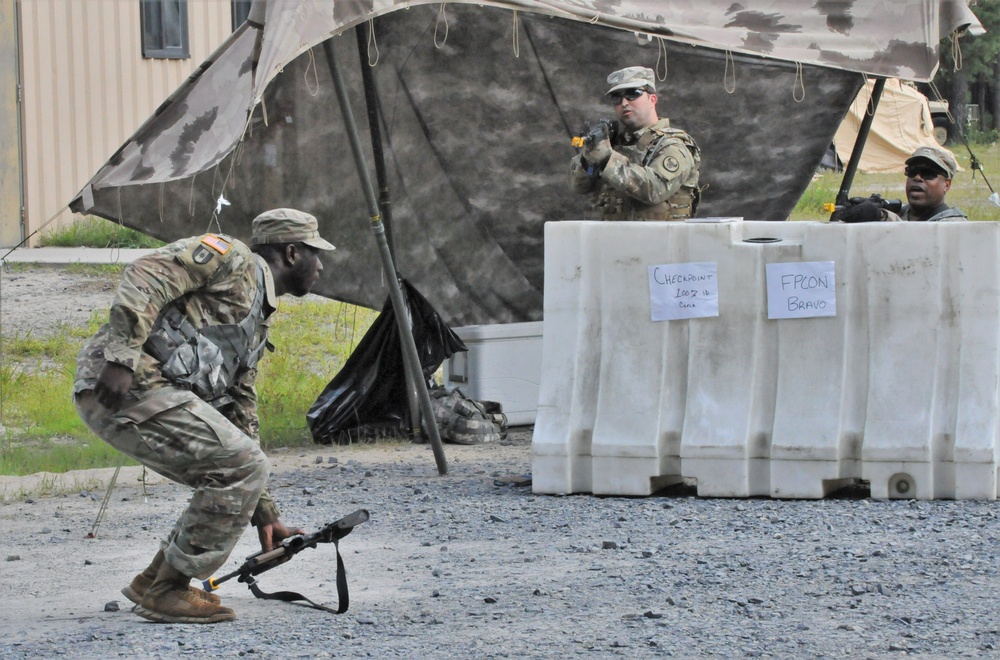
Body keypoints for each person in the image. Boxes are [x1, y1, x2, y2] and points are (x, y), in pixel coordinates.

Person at [73, 208, 336, 624]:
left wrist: (264, 511)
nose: (321, 265)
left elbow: (240, 417)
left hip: (151, 393)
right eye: (314, 253)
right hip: (125, 384)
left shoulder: (255, 326)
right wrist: (122, 357)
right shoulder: (231, 257)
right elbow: (146, 274)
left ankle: (153, 579)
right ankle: (168, 591)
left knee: (237, 462)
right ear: (290, 253)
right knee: (239, 465)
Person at [569, 66, 702, 221]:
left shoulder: (673, 145)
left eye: (633, 94)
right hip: (610, 239)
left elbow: (655, 189)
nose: (624, 103)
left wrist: (607, 159)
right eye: (617, 98)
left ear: (652, 99)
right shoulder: (613, 143)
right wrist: (588, 160)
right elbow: (578, 187)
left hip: (659, 241)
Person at [841, 145, 968, 223]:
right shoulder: (900, 212)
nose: (918, 177)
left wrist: (881, 216)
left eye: (928, 173)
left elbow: (918, 240)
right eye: (912, 171)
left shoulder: (955, 224)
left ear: (946, 185)